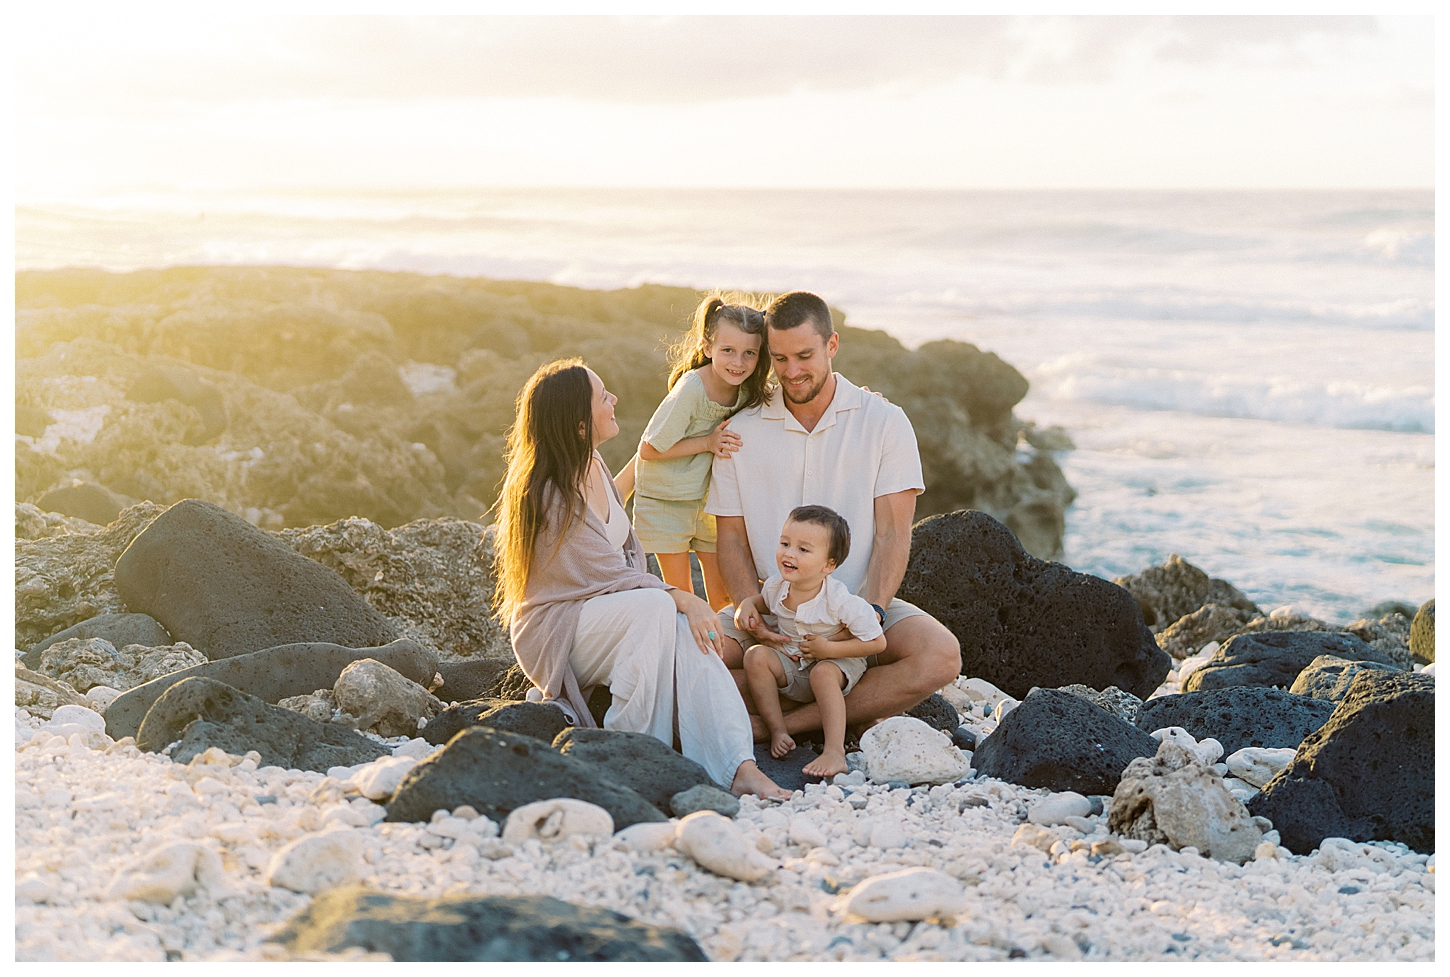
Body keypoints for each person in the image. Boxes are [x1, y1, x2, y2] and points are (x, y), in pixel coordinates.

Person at [492, 357, 788, 799]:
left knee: (689, 632)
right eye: (602, 396)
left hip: (610, 621)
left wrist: (684, 443)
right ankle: (630, 754)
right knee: (659, 607)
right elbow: (601, 573)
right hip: (557, 629)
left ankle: (737, 764)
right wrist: (682, 596)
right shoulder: (545, 493)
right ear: (577, 424)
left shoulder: (591, 465)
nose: (614, 400)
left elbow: (629, 507)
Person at [707, 291, 962, 742]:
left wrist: (873, 613)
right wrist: (751, 609)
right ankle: (842, 703)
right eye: (780, 358)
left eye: (805, 355)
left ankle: (781, 725)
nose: (792, 371)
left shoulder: (884, 421)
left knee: (941, 656)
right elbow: (730, 539)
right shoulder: (740, 431)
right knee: (682, 655)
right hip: (774, 606)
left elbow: (892, 532)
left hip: (855, 606)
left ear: (832, 345)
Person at [634, 296, 772, 609]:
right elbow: (649, 449)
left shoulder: (749, 388)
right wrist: (708, 443)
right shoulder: (692, 389)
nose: (738, 362)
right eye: (728, 351)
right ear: (707, 348)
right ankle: (689, 655)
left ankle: (723, 653)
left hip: (709, 499)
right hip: (667, 499)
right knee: (682, 593)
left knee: (724, 592)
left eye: (749, 353)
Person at [743, 505, 886, 778]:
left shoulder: (841, 601)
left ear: (828, 565)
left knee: (822, 672)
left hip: (838, 662)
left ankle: (835, 751)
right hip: (795, 664)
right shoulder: (775, 587)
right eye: (785, 543)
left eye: (803, 550)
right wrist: (746, 605)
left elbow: (877, 643)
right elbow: (760, 603)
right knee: (755, 656)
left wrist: (829, 649)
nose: (788, 553)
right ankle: (777, 730)